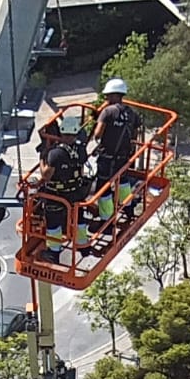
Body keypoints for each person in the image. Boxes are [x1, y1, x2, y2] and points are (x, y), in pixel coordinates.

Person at [91, 78, 142, 227]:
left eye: (108, 95)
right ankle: (128, 208)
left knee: (103, 188)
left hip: (107, 157)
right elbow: (134, 133)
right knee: (123, 182)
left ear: (114, 95)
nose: (106, 98)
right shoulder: (132, 113)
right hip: (123, 156)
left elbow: (98, 134)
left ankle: (106, 220)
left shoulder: (108, 112)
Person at [39, 115, 90, 260]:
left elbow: (46, 176)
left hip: (56, 195)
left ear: (61, 132)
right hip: (75, 193)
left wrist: (42, 160)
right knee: (78, 218)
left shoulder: (56, 154)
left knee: (53, 223)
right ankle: (83, 246)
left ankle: (54, 251)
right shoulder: (80, 150)